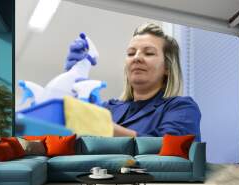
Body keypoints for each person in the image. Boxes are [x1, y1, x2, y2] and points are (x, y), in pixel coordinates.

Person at [65, 23, 201, 141]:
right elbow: (66, 139)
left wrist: (107, 129)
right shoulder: (108, 109)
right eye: (131, 53)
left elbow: (170, 150)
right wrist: (71, 79)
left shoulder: (181, 108)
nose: (136, 58)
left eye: (148, 53)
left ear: (167, 67)